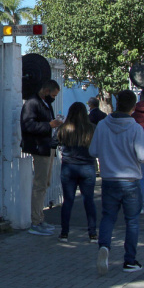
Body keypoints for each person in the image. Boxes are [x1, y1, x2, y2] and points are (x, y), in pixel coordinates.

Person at [90, 90, 144, 275]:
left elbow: (93, 151)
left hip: (109, 179)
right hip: (130, 180)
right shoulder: (135, 128)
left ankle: (104, 246)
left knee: (108, 217)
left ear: (116, 103)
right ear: (133, 107)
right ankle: (129, 261)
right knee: (132, 221)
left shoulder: (102, 125)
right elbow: (142, 156)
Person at [20, 80, 64, 235]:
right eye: (52, 95)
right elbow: (27, 125)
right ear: (45, 90)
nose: (53, 98)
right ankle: (36, 221)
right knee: (39, 185)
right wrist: (49, 125)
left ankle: (40, 218)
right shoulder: (32, 103)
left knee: (44, 184)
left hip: (47, 146)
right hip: (39, 147)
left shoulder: (45, 103)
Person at [56, 102, 97, 244]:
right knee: (89, 201)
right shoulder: (91, 129)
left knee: (68, 201)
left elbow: (55, 141)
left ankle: (64, 233)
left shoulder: (64, 129)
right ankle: (92, 233)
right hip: (87, 166)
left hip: (69, 167)